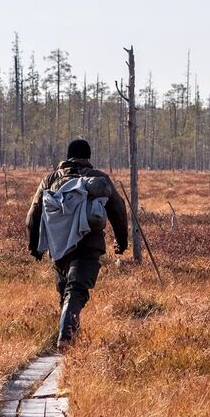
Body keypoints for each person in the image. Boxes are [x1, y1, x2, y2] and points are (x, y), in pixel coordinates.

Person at [27, 138, 130, 346]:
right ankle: (66, 336)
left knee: (66, 291)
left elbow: (33, 214)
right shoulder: (98, 178)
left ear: (67, 156)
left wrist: (34, 246)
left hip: (59, 247)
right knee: (76, 291)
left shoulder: (50, 180)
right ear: (88, 157)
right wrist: (121, 242)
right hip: (88, 245)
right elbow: (118, 210)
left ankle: (71, 340)